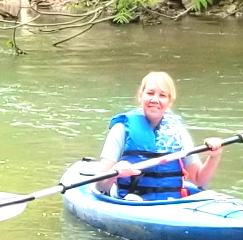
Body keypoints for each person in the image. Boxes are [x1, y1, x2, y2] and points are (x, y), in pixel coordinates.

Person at [95, 71, 222, 201]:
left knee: (210, 194)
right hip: (130, 201)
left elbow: (198, 180)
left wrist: (214, 156)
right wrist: (114, 173)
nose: (155, 100)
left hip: (170, 203)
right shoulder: (120, 130)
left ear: (169, 102)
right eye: (150, 93)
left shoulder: (179, 134)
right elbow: (100, 186)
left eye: (162, 95)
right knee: (133, 199)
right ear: (140, 96)